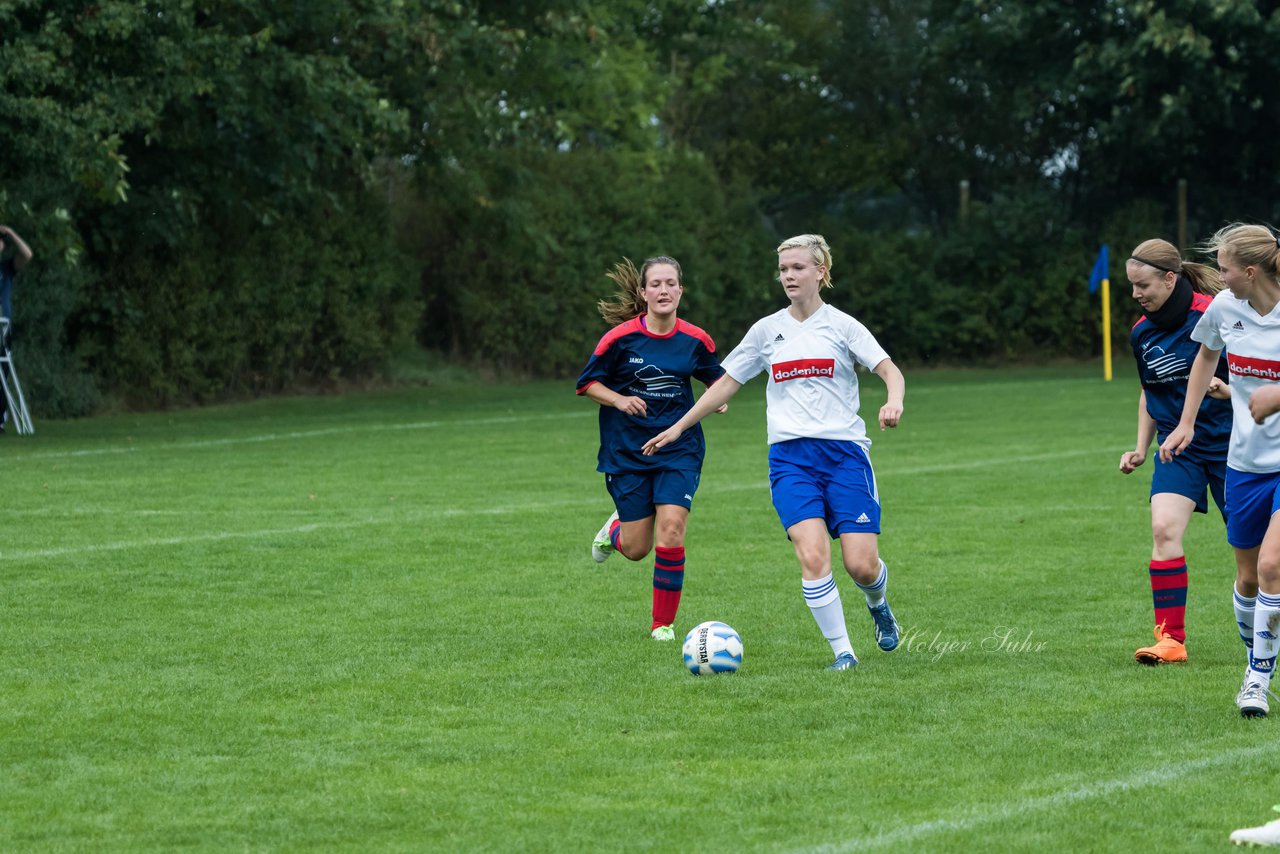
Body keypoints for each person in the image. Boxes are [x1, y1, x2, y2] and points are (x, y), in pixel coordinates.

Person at [643, 234, 905, 671]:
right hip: (790, 460)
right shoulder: (766, 331)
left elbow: (887, 368)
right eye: (783, 270)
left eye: (798, 268)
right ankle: (844, 653)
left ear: (820, 272)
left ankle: (878, 603)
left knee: (861, 565)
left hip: (845, 456)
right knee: (811, 553)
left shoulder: (843, 326)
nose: (788, 276)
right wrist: (679, 426)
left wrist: (893, 399)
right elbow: (726, 382)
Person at [1160, 223, 1280, 717]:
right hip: (1244, 465)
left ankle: (1256, 680)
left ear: (1249, 271)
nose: (1217, 276)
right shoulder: (1223, 310)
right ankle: (1257, 656)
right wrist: (1185, 423)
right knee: (1248, 578)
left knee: (1274, 566)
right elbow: (1205, 357)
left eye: (1225, 268)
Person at [576, 256, 726, 641]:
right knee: (639, 548)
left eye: (670, 283)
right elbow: (587, 384)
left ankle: (662, 625)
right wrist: (619, 400)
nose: (663, 290)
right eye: (655, 284)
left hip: (680, 447)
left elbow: (719, 381)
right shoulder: (620, 339)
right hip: (627, 450)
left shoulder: (695, 339)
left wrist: (717, 396)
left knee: (672, 530)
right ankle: (615, 533)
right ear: (643, 293)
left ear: (680, 290)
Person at [1118, 238, 1231, 666]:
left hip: (1230, 446)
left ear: (1170, 278)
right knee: (1164, 530)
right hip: (1176, 450)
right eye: (1131, 286)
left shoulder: (1217, 313)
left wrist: (1227, 394)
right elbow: (1150, 392)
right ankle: (1171, 640)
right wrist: (1141, 447)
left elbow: (1254, 377)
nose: (1136, 295)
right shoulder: (1141, 333)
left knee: (1254, 550)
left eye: (1142, 285)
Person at [0, 224, 33, 434]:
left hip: (2, 327)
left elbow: (27, 254)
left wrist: (11, 233)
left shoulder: (6, 268)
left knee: (1, 373)